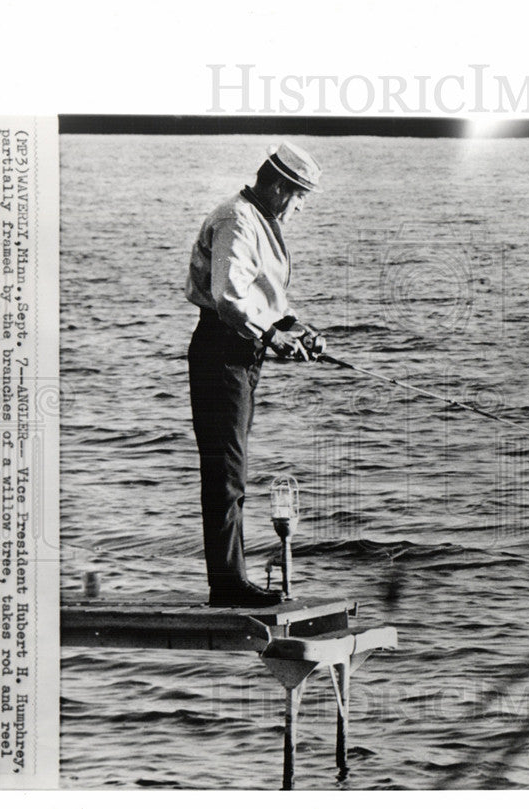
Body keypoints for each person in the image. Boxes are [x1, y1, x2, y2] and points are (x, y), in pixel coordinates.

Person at [185, 142, 326, 607]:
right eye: (299, 196)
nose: (300, 207)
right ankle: (227, 585)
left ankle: (231, 579)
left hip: (241, 353)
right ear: (280, 186)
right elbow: (227, 298)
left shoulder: (261, 221)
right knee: (227, 475)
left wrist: (297, 330)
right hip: (220, 352)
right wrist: (270, 336)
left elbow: (263, 298)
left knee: (233, 471)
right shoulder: (238, 219)